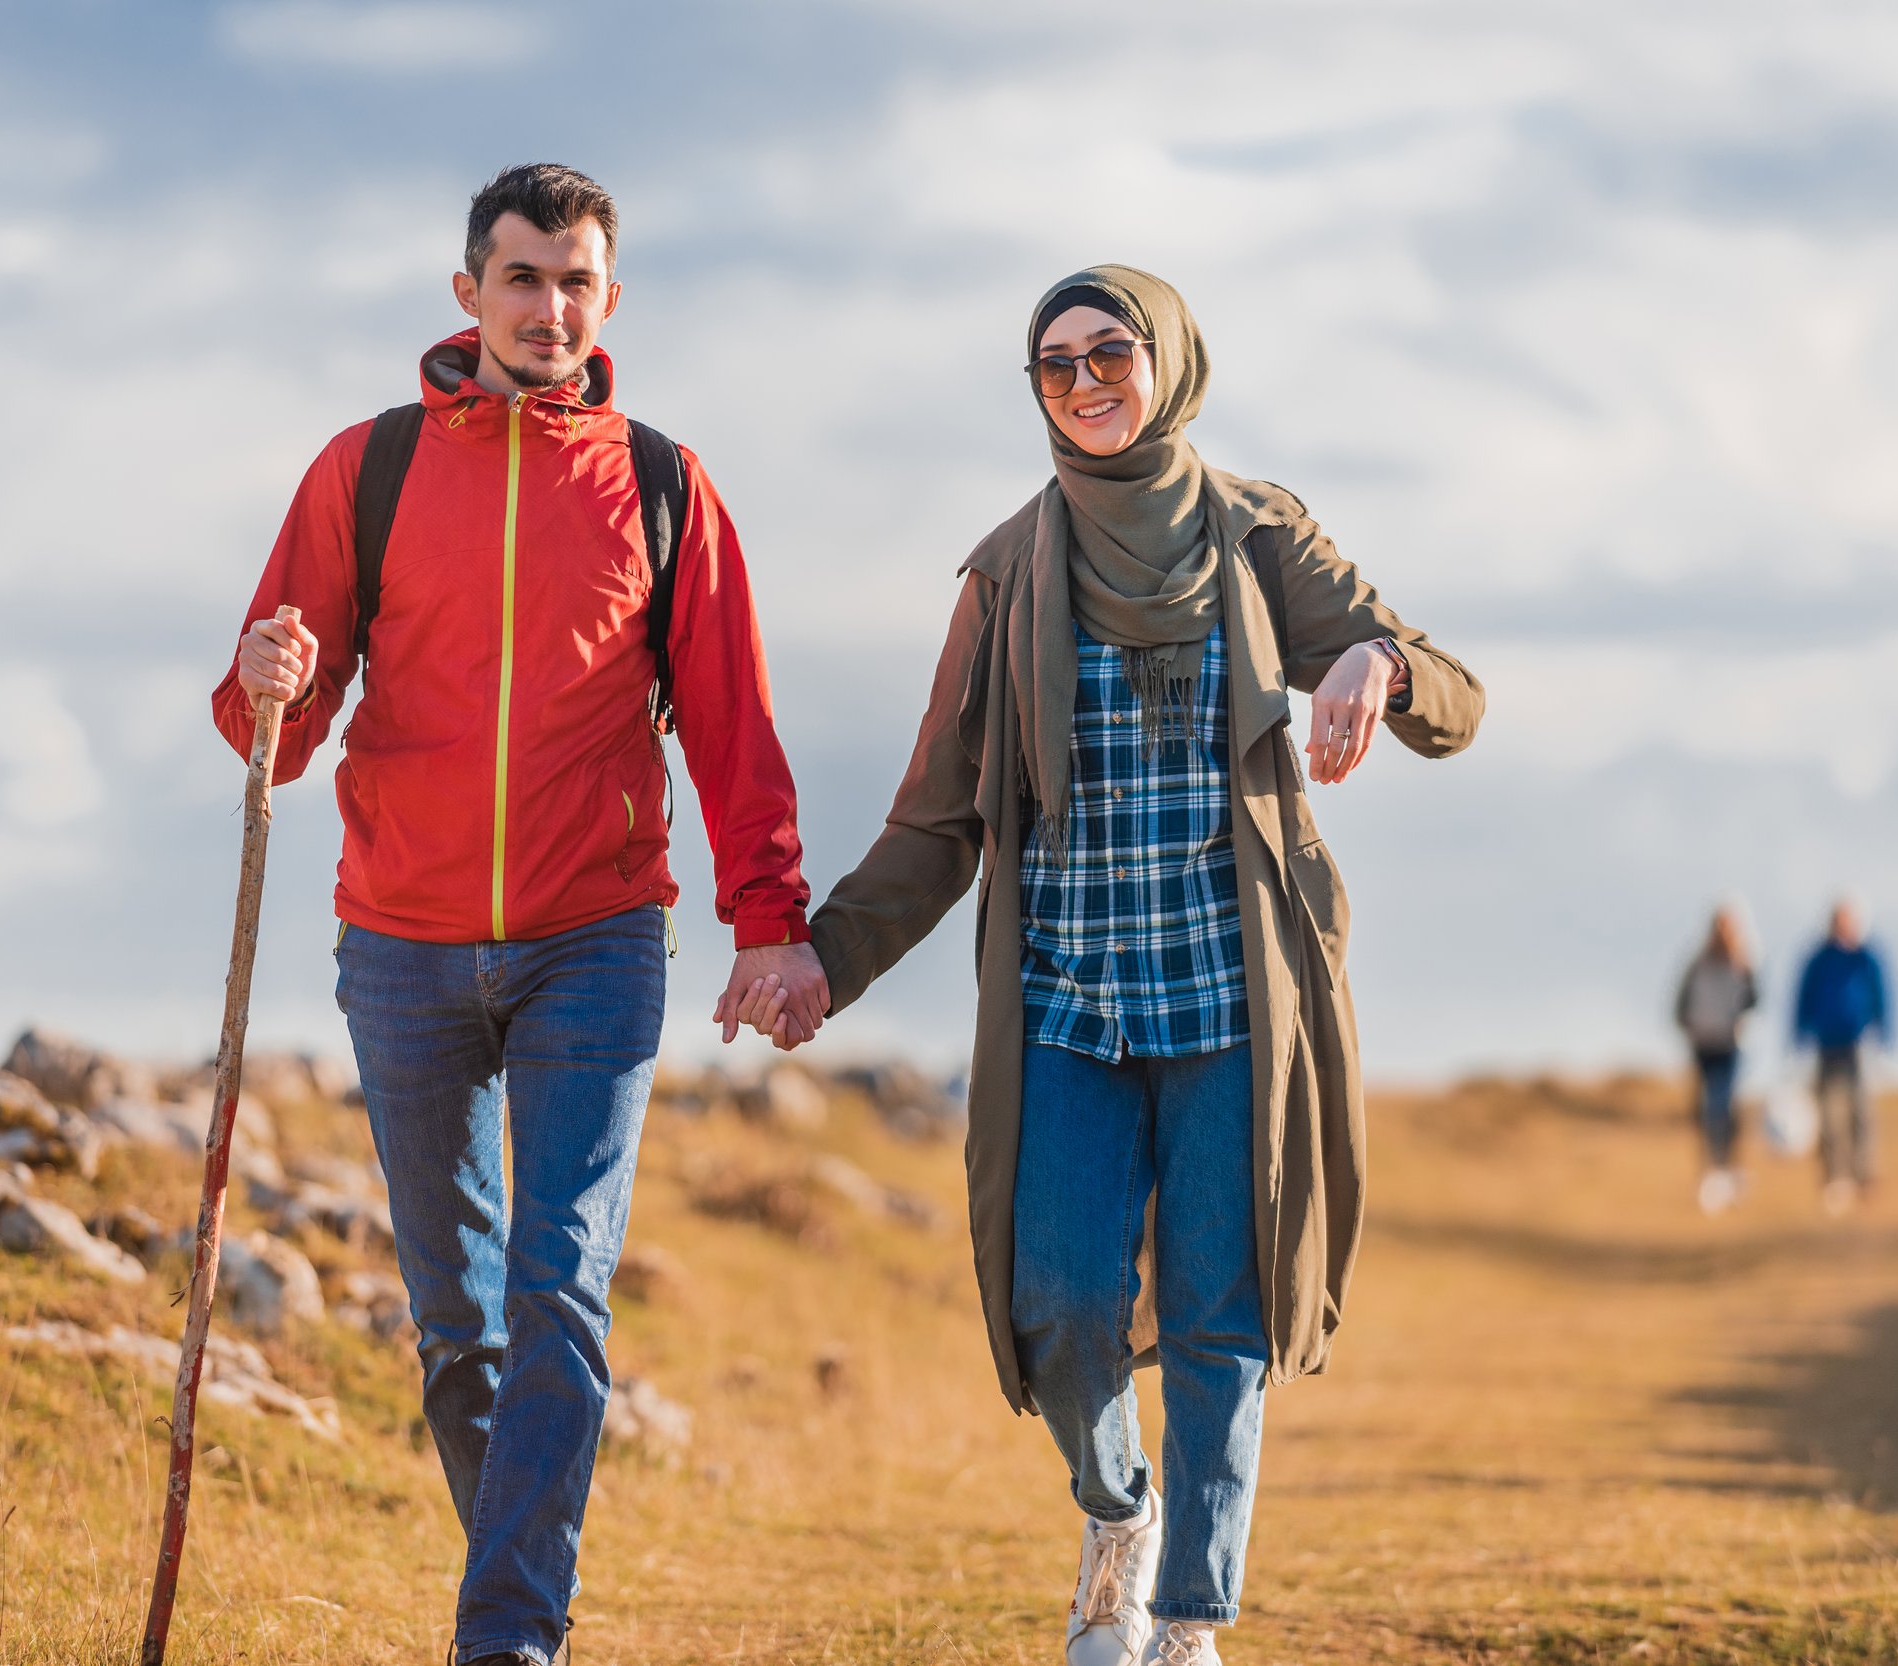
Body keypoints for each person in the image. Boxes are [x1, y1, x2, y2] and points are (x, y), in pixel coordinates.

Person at [734, 266, 1482, 1666]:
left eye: (1110, 353)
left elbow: (1455, 694)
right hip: (1069, 1009)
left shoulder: (1263, 537)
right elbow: (939, 817)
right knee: (1063, 1302)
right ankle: (1117, 1514)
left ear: (1170, 360)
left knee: (1219, 1309)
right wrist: (820, 962)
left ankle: (1189, 1615)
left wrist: (1376, 663)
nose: (1086, 383)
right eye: (1055, 365)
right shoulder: (1009, 572)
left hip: (1231, 1004)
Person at [215, 163, 829, 1666]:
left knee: (560, 1289)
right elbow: (273, 733)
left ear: (607, 302)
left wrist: (773, 917)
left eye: (576, 282)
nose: (548, 308)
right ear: (468, 294)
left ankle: (507, 1638)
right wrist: (262, 681)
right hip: (403, 943)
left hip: (595, 940)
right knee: (459, 1324)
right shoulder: (363, 471)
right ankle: (523, 1587)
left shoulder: (664, 484)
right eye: (521, 278)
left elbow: (732, 724)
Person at [1793, 896, 1893, 1215]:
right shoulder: (1818, 958)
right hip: (1825, 1042)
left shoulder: (1866, 957)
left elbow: (1882, 996)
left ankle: (1864, 1177)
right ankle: (1834, 1179)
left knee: (1861, 1112)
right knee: (1828, 1114)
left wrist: (1885, 1035)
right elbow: (1803, 997)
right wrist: (1799, 1035)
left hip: (1858, 1041)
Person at [1673, 903, 1759, 1214]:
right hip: (1703, 1044)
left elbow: (1754, 1001)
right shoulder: (1697, 963)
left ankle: (1729, 1168)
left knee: (1724, 1106)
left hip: (1731, 1045)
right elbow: (1680, 1003)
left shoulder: (1743, 963)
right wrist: (1687, 1026)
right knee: (1705, 1108)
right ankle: (1711, 1170)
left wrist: (1741, 1022)